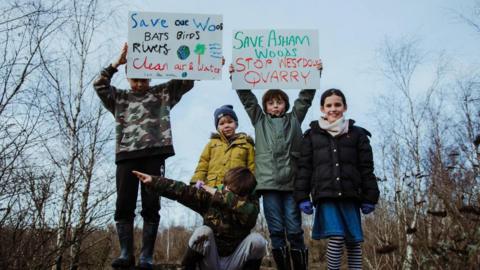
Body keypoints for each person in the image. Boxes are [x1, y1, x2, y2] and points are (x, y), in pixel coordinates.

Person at [93, 42, 194, 269]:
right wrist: (116, 63)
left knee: (151, 205)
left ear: (150, 77)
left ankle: (146, 256)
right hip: (127, 155)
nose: (140, 84)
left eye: (144, 79)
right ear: (128, 78)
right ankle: (126, 253)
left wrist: (203, 63)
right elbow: (99, 85)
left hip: (154, 154)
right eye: (135, 79)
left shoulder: (162, 93)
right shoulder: (118, 98)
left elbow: (186, 80)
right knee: (123, 205)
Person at [231, 61, 323, 270]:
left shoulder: (294, 119)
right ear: (265, 107)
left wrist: (315, 72)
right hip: (269, 186)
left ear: (285, 105)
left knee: (294, 229)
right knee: (276, 230)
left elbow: (305, 98)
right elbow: (248, 100)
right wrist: (236, 77)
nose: (275, 105)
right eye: (271, 102)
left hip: (291, 185)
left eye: (279, 102)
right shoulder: (259, 121)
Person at [294, 88, 380, 270]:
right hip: (326, 196)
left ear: (345, 107)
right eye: (329, 105)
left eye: (337, 104)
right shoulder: (312, 135)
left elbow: (366, 168)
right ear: (322, 108)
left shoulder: (358, 134)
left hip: (350, 195)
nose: (333, 109)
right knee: (336, 237)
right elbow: (304, 168)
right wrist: (302, 197)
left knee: (354, 241)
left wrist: (370, 197)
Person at [132, 167, 267, 270]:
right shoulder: (210, 198)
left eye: (235, 192)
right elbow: (182, 191)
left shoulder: (250, 208)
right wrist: (154, 181)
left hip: (235, 262)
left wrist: (219, 194)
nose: (226, 191)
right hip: (210, 260)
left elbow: (250, 214)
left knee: (258, 241)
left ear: (245, 195)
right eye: (227, 188)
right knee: (203, 232)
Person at [191, 104, 255, 188]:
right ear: (217, 128)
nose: (226, 125)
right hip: (211, 188)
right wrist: (196, 182)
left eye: (230, 122)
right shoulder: (211, 144)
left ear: (236, 124)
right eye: (222, 123)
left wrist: (252, 190)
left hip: (236, 190)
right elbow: (203, 164)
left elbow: (252, 168)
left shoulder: (246, 145)